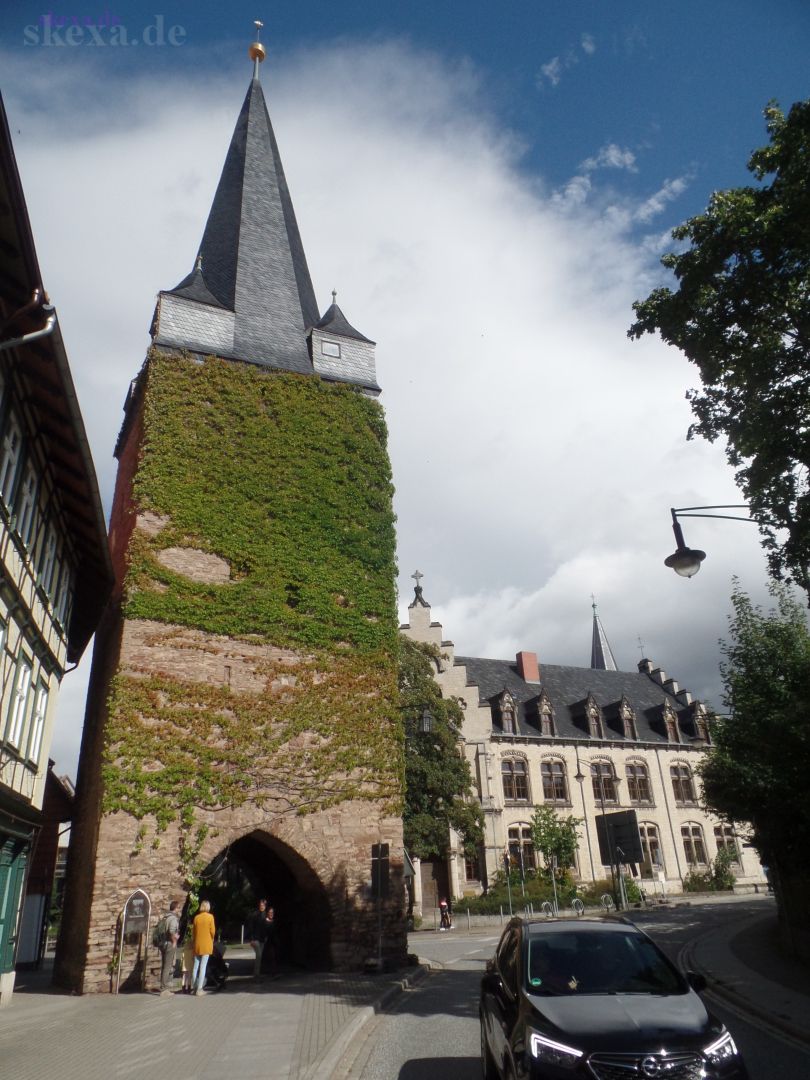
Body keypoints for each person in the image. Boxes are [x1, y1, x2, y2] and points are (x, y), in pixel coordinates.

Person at [191, 900, 215, 996]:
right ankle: (200, 989)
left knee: (195, 966)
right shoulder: (210, 917)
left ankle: (194, 987)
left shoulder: (196, 918)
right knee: (203, 966)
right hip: (206, 944)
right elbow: (213, 931)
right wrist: (212, 939)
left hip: (197, 944)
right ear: (208, 907)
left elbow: (194, 932)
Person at [159, 899, 181, 995]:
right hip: (169, 944)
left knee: (164, 966)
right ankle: (164, 989)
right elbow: (172, 931)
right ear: (175, 908)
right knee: (167, 966)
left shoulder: (165, 917)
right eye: (178, 908)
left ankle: (164, 986)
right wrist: (175, 940)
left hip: (163, 943)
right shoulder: (173, 919)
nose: (179, 910)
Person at [245, 898, 270, 980]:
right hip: (255, 939)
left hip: (262, 939)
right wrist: (251, 938)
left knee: (259, 956)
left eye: (263, 905)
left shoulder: (266, 915)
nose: (262, 906)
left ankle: (257, 974)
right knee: (259, 956)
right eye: (261, 905)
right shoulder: (255, 915)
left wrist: (266, 936)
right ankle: (256, 975)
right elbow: (250, 927)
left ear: (265, 906)